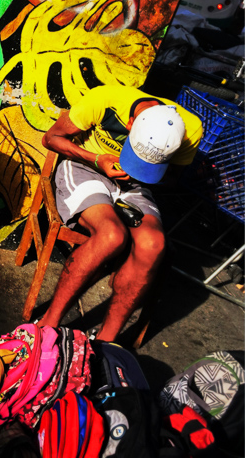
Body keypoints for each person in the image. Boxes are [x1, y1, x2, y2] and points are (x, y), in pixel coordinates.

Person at [36, 84, 203, 342]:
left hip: (137, 185)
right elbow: (51, 138)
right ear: (130, 123)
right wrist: (96, 159)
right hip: (86, 167)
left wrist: (143, 177)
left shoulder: (190, 130)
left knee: (154, 244)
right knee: (111, 235)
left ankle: (106, 341)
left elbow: (172, 179)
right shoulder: (105, 99)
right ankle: (48, 324)